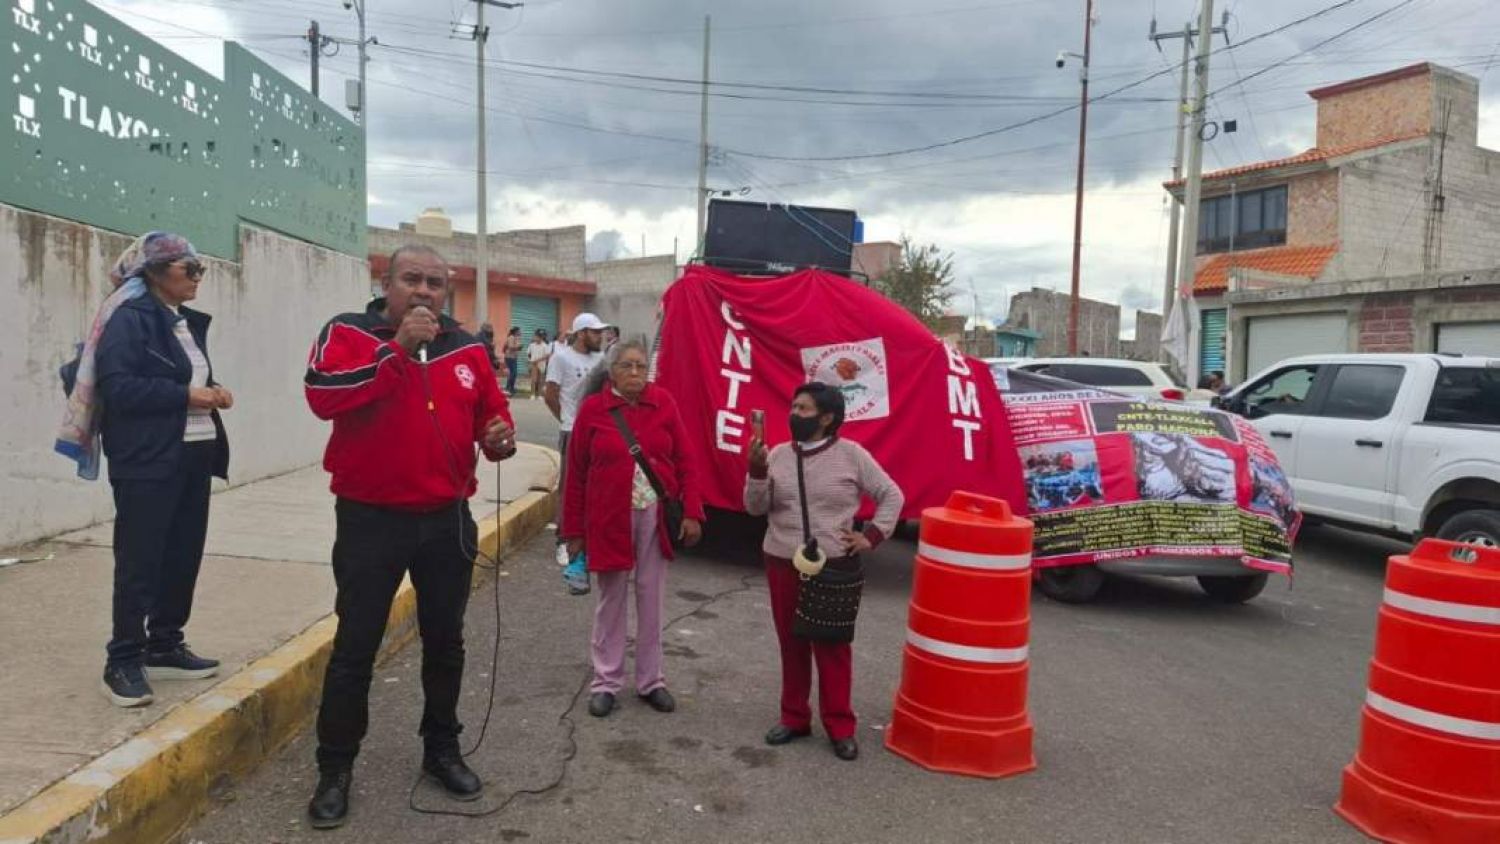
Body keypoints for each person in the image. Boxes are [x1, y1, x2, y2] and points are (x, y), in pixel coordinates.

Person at [301, 244, 518, 829]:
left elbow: (493, 420)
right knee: (356, 648)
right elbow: (323, 397)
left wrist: (499, 437)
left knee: (446, 643)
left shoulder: (468, 346)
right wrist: (397, 350)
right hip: (371, 519)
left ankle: (441, 749)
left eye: (435, 284)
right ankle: (336, 768)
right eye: (412, 280)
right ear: (387, 283)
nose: (424, 292)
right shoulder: (348, 333)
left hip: (446, 518)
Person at [57, 232, 233, 708]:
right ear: (155, 273)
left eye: (200, 269)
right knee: (140, 560)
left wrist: (213, 390)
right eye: (188, 268)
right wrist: (187, 395)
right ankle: (123, 660)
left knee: (181, 554)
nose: (198, 277)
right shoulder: (131, 319)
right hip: (148, 459)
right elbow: (119, 390)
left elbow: (185, 378)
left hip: (192, 454)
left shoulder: (182, 322)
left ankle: (165, 644)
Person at [744, 382, 903, 762]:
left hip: (834, 565)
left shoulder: (852, 455)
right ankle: (794, 717)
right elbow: (754, 507)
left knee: (832, 647)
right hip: (783, 560)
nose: (794, 414)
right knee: (791, 643)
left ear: (827, 417)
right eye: (794, 407)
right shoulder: (778, 454)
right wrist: (756, 472)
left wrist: (871, 536)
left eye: (803, 409)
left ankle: (840, 726)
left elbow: (891, 495)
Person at [561, 339, 704, 719]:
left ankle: (651, 680)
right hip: (608, 518)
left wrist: (692, 511)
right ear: (611, 372)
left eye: (641, 366)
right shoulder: (594, 410)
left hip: (654, 514)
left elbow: (686, 459)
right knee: (611, 600)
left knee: (651, 597)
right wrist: (572, 531)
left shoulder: (664, 403)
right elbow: (574, 475)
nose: (636, 373)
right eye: (627, 366)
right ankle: (606, 681)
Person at [545, 313, 610, 590]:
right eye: (595, 333)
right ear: (582, 333)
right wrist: (567, 421)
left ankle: (589, 539)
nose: (600, 337)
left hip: (598, 431)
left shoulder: (600, 360)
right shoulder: (561, 358)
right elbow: (550, 393)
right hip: (573, 429)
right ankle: (563, 539)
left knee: (594, 487)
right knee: (570, 485)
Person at [527, 329, 551, 399]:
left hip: (541, 364)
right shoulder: (532, 345)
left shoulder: (545, 345)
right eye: (536, 336)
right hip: (534, 364)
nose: (537, 338)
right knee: (534, 379)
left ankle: (540, 395)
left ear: (542, 337)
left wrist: (538, 360)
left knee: (540, 380)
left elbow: (547, 356)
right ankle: (532, 394)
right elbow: (528, 353)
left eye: (540, 337)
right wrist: (530, 360)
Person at [503, 326, 522, 396]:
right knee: (513, 373)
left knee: (513, 373)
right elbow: (510, 347)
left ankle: (510, 388)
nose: (521, 332)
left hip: (513, 357)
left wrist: (518, 348)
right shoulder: (511, 337)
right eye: (519, 331)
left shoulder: (516, 338)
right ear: (516, 331)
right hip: (510, 357)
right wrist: (518, 347)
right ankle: (509, 388)